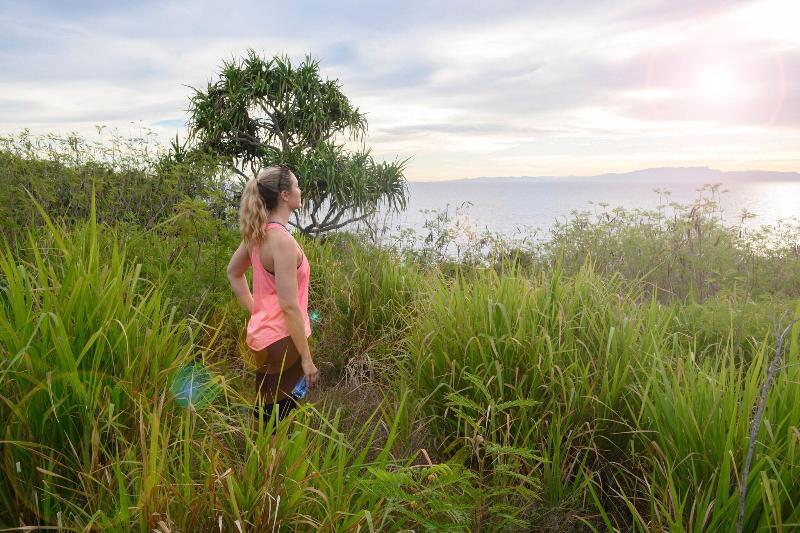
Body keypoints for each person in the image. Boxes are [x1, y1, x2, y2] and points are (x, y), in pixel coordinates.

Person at [226, 164, 319, 429]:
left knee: (265, 418)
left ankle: (259, 469)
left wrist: (258, 311)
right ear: (284, 195)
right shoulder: (282, 241)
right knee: (277, 425)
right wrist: (306, 358)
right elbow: (289, 306)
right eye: (297, 186)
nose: (301, 190)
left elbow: (233, 273)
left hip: (264, 339)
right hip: (284, 342)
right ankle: (273, 470)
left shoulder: (258, 234)